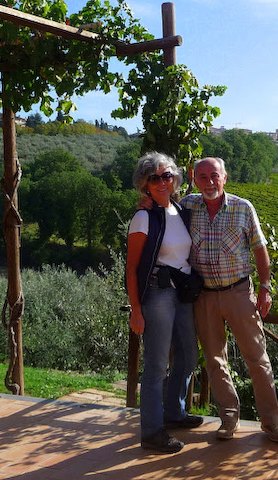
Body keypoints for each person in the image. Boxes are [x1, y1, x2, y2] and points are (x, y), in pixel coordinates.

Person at [182, 157, 278, 443]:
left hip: (239, 293)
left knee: (257, 358)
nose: (209, 182)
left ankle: (271, 422)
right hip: (203, 297)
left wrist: (265, 287)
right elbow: (159, 208)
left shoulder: (243, 208)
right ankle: (229, 420)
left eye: (214, 176)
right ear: (194, 179)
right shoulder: (187, 206)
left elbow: (260, 249)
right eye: (202, 177)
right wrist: (145, 203)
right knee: (215, 361)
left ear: (224, 177)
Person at [126, 152, 203, 453]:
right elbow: (132, 268)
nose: (162, 182)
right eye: (154, 177)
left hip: (181, 292)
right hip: (157, 294)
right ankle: (152, 431)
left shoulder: (181, 211)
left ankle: (174, 411)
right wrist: (136, 309)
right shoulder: (143, 217)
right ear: (144, 184)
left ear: (175, 179)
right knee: (156, 365)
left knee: (188, 356)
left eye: (166, 175)